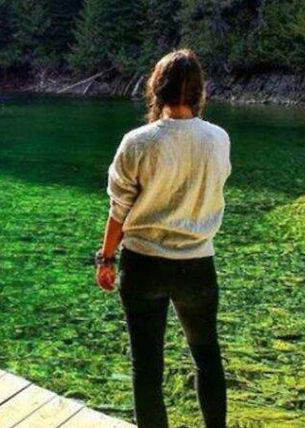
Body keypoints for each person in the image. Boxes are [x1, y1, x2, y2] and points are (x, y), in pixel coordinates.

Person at [95, 49, 230, 428]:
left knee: (147, 368)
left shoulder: (137, 142)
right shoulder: (218, 139)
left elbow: (119, 210)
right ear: (199, 91)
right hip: (197, 265)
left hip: (143, 266)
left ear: (156, 88)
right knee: (206, 356)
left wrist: (106, 259)